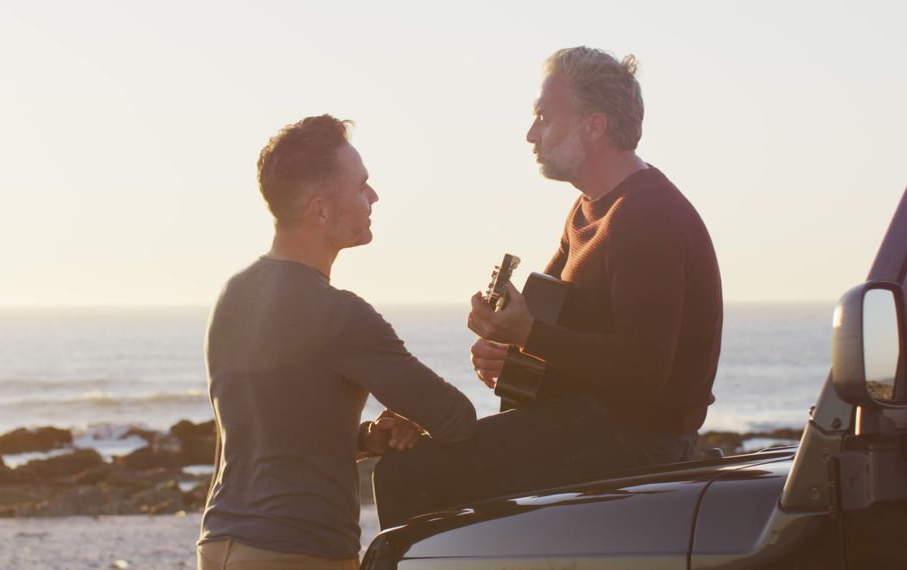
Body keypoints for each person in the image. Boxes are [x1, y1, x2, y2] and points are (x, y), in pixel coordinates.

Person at [373, 46, 723, 528]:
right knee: (422, 464)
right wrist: (510, 351)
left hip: (641, 440)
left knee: (408, 475)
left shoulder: (647, 217)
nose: (530, 134)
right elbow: (551, 332)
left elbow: (645, 370)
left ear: (594, 126)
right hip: (597, 420)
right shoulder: (587, 209)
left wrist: (528, 337)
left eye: (543, 118)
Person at [199, 115, 477, 569]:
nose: (374, 196)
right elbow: (456, 419)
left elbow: (278, 434)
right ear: (322, 210)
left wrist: (371, 438)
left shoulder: (234, 294)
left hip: (220, 546)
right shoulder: (340, 314)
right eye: (362, 186)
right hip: (299, 551)